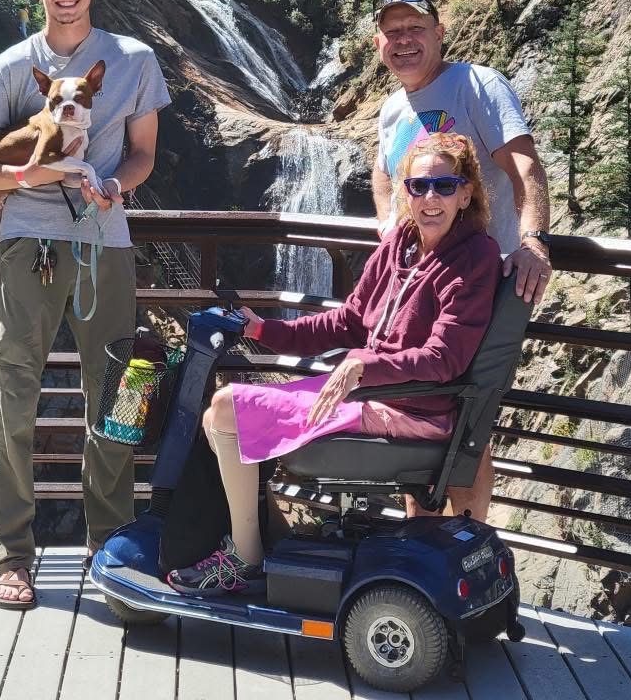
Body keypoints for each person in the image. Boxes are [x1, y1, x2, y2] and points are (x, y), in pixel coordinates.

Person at [165, 132, 502, 597]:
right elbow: (347, 321)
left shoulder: (475, 257)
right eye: (418, 186)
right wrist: (264, 330)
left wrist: (363, 365)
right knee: (217, 417)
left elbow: (445, 358)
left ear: (466, 193)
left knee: (224, 408)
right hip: (372, 393)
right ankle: (261, 542)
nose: (430, 198)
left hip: (411, 408)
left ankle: (246, 557)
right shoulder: (400, 245)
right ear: (404, 192)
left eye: (444, 186)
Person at [0, 0, 171, 610]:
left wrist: (116, 185)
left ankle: (111, 546)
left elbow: (142, 154)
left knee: (119, 397)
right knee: (14, 399)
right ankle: (11, 557)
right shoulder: (11, 66)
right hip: (25, 247)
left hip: (107, 244)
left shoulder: (134, 60)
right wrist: (27, 176)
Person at [370, 0, 552, 521]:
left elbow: (525, 168)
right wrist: (386, 225)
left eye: (415, 28)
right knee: (416, 407)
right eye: (393, 31)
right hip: (415, 289)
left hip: (479, 285)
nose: (404, 40)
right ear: (379, 43)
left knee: (466, 424)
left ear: (439, 33)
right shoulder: (391, 108)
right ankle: (424, 540)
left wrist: (533, 241)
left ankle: (466, 543)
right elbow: (383, 172)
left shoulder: (476, 84)